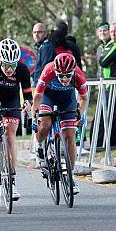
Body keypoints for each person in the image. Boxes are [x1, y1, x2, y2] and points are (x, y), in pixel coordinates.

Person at [0, 38, 33, 200]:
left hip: (11, 99)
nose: (9, 69)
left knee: (10, 136)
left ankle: (11, 180)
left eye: (13, 65)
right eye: (6, 65)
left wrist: (28, 104)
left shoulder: (22, 69)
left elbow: (28, 95)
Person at [31, 53, 89, 195]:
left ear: (73, 71)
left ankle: (71, 177)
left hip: (67, 100)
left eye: (67, 76)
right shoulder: (48, 69)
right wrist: (34, 117)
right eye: (60, 75)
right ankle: (38, 145)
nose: (64, 79)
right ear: (55, 71)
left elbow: (84, 98)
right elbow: (37, 96)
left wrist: (79, 114)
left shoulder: (79, 75)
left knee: (70, 136)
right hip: (48, 97)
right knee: (45, 124)